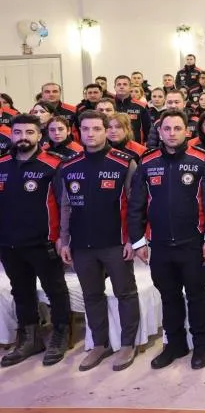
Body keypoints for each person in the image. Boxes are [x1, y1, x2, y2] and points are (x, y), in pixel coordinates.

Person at [127, 110, 205, 370]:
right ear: (160, 131)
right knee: (168, 296)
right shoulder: (147, 163)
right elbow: (136, 206)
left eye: (177, 128)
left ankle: (200, 345)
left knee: (196, 295)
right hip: (160, 245)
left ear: (186, 131)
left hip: (194, 244)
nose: (172, 133)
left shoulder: (203, 161)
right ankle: (175, 344)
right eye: (166, 129)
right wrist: (138, 241)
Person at [56, 110, 140, 372]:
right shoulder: (69, 165)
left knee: (125, 293)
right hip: (82, 244)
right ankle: (100, 344)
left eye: (96, 129)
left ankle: (127, 344)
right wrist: (64, 240)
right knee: (92, 295)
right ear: (78, 132)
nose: (90, 134)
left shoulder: (124, 163)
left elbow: (135, 205)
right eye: (85, 129)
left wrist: (132, 240)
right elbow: (66, 206)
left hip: (116, 242)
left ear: (107, 130)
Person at [0, 114, 71, 367]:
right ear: (11, 135)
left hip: (44, 243)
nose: (23, 137)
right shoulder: (2, 164)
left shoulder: (53, 164)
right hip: (8, 243)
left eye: (29, 132)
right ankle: (30, 339)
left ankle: (60, 336)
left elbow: (65, 205)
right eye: (18, 132)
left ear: (40, 135)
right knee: (21, 291)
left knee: (55, 290)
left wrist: (62, 238)